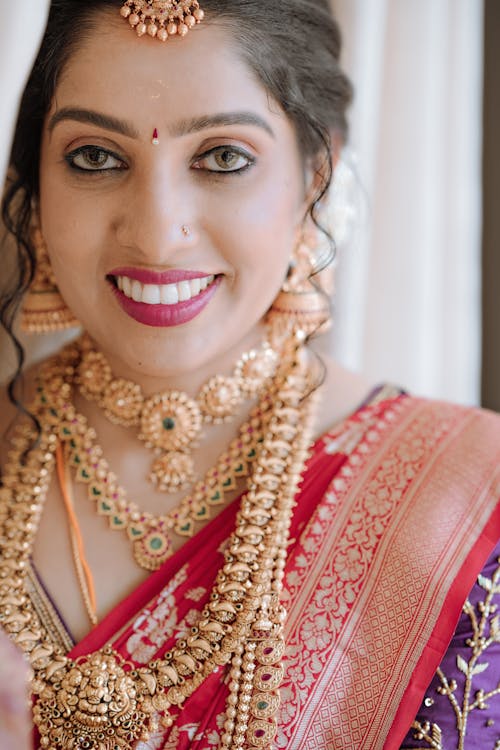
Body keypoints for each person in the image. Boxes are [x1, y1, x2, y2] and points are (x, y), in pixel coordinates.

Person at [0, 2, 498, 749]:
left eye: (223, 157)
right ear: (33, 186)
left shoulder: (466, 490)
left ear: (314, 177)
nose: (156, 232)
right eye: (96, 156)